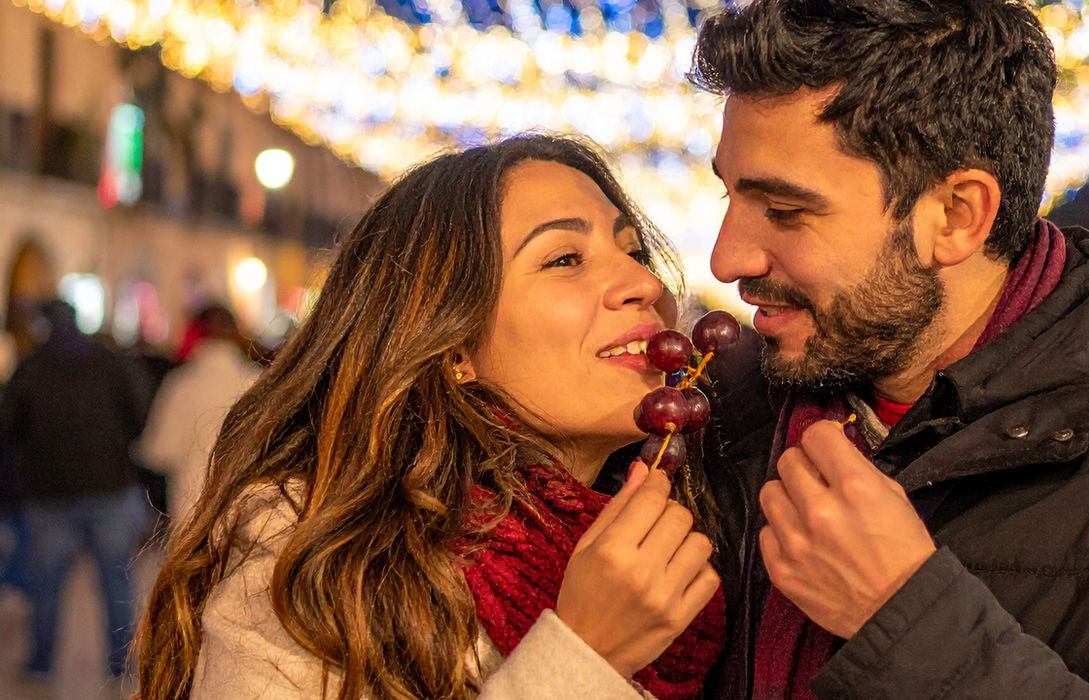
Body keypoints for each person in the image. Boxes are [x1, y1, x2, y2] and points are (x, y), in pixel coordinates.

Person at [687, 1, 1089, 698]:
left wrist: (911, 624)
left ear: (958, 216)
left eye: (786, 210)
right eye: (729, 193)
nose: (727, 257)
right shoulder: (715, 418)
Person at [134, 135, 723, 700]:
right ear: (453, 345)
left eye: (634, 252)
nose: (644, 284)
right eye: (565, 259)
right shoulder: (316, 567)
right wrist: (584, 657)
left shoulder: (695, 525)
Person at [0, 299, 151, 683]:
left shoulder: (32, 368)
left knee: (47, 584)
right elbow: (138, 413)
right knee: (116, 579)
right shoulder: (108, 363)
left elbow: (8, 427)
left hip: (49, 491)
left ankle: (41, 663)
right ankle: (121, 663)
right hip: (109, 486)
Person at [139, 304, 261, 526]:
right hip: (248, 510)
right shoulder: (258, 383)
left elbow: (160, 452)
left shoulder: (182, 384)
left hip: (191, 506)